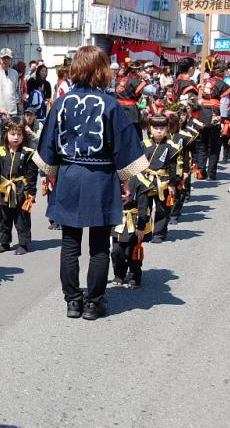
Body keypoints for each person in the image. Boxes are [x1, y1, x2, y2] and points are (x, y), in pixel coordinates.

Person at [38, 46, 148, 320]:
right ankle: (93, 303)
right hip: (101, 177)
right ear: (100, 70)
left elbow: (48, 146)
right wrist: (125, 181)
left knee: (70, 244)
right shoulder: (110, 104)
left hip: (70, 175)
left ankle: (73, 301)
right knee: (99, 246)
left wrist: (52, 177)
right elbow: (124, 147)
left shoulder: (61, 103)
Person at [0, 117, 38, 255]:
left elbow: (32, 174)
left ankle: (23, 244)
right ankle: (4, 242)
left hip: (21, 190)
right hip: (4, 189)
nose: (16, 137)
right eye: (12, 134)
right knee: (4, 218)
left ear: (24, 135)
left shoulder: (28, 153)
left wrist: (31, 192)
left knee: (22, 217)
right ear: (6, 134)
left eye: (19, 134)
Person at [135, 116, 182, 244]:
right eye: (156, 128)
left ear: (167, 129)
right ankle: (145, 230)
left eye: (162, 128)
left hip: (163, 180)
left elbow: (173, 167)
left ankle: (159, 233)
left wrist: (173, 184)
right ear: (150, 129)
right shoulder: (144, 144)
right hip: (146, 180)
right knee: (144, 207)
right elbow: (138, 164)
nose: (159, 131)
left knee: (162, 209)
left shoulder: (171, 146)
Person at [110, 174, 149, 288]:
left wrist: (141, 226)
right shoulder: (113, 175)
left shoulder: (139, 179)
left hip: (134, 219)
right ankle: (119, 274)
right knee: (117, 250)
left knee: (131, 251)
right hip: (117, 218)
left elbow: (143, 205)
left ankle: (135, 275)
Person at [198, 64, 230, 180]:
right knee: (214, 145)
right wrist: (224, 118)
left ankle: (201, 171)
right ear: (222, 72)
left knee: (202, 143)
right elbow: (225, 103)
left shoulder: (205, 82)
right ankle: (211, 173)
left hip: (202, 112)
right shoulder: (222, 85)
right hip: (214, 113)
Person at [0, 48, 20, 146]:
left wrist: (19, 106)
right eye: (3, 58)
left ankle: (11, 161)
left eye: (8, 58)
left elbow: (16, 92)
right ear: (0, 59)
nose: (5, 61)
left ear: (11, 60)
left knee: (13, 139)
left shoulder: (14, 73)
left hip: (12, 111)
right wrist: (1, 109)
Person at [114, 59, 146, 137]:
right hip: (131, 111)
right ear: (137, 71)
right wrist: (146, 79)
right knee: (135, 136)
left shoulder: (119, 80)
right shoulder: (135, 82)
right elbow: (151, 91)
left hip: (118, 109)